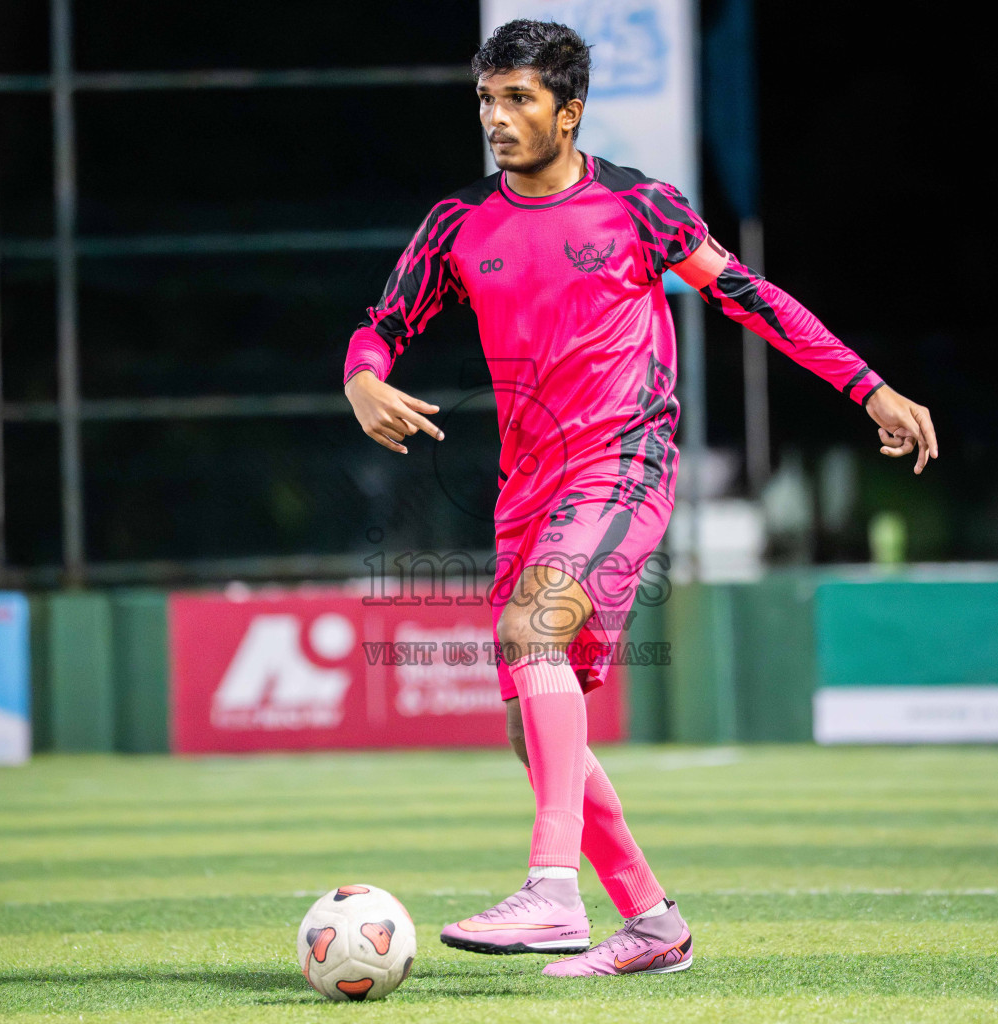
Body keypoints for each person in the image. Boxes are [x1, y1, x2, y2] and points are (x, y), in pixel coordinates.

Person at [341, 19, 937, 978]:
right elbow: (380, 326)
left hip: (625, 466)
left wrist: (870, 387)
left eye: (520, 99)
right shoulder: (458, 225)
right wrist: (361, 377)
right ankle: (654, 924)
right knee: (533, 727)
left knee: (533, 630)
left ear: (569, 111)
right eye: (487, 100)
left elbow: (754, 298)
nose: (497, 119)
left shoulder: (641, 209)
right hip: (525, 491)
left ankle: (551, 891)